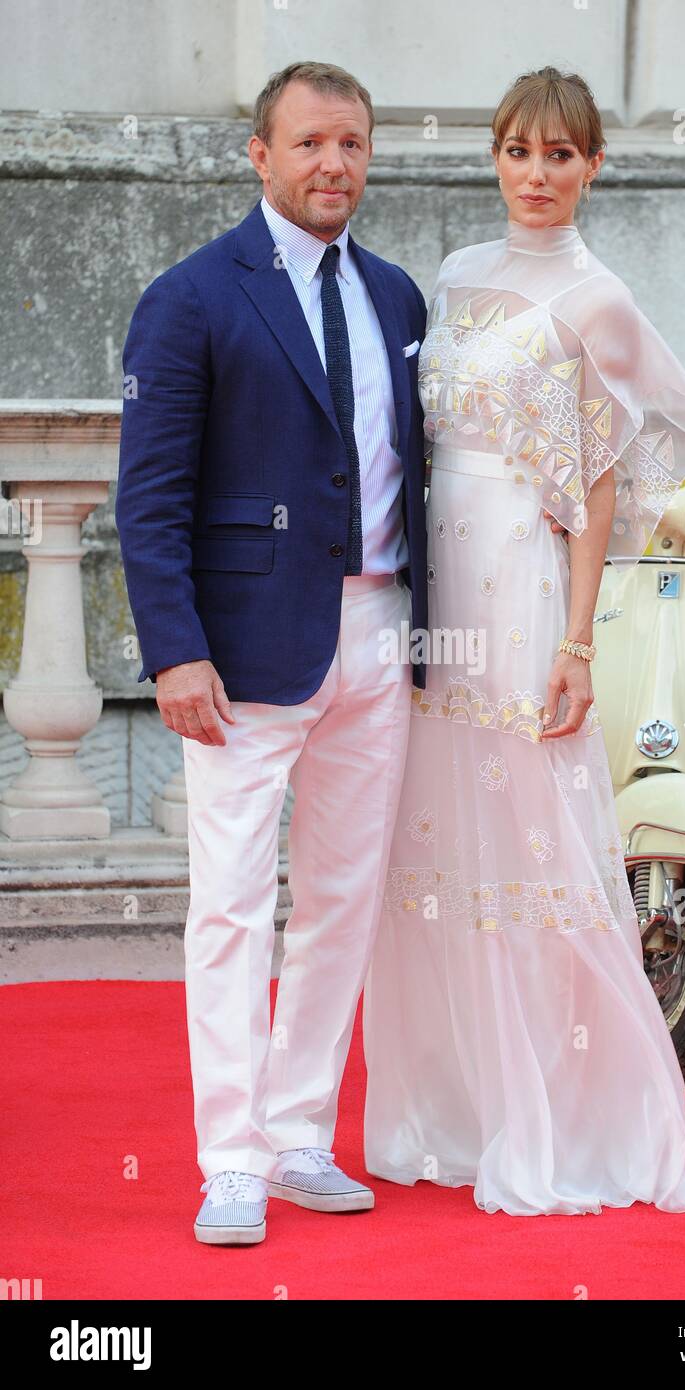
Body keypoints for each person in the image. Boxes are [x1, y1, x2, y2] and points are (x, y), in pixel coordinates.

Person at [362, 66, 685, 1216]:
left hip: (519, 582)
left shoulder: (599, 298)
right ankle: (452, 1109)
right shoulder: (455, 274)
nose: (537, 176)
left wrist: (575, 646)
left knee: (532, 849)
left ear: (594, 165)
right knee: (434, 845)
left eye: (561, 155)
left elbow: (600, 490)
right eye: (519, 152)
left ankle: (556, 1113)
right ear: (495, 158)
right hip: (434, 588)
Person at [115, 61, 431, 1244]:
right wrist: (174, 651)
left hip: (378, 628)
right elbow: (148, 497)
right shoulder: (192, 297)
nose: (331, 165)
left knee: (343, 900)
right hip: (241, 653)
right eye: (308, 144)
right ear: (260, 153)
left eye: (350, 144)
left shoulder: (397, 297)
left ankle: (302, 1134)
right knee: (235, 906)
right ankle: (230, 1156)